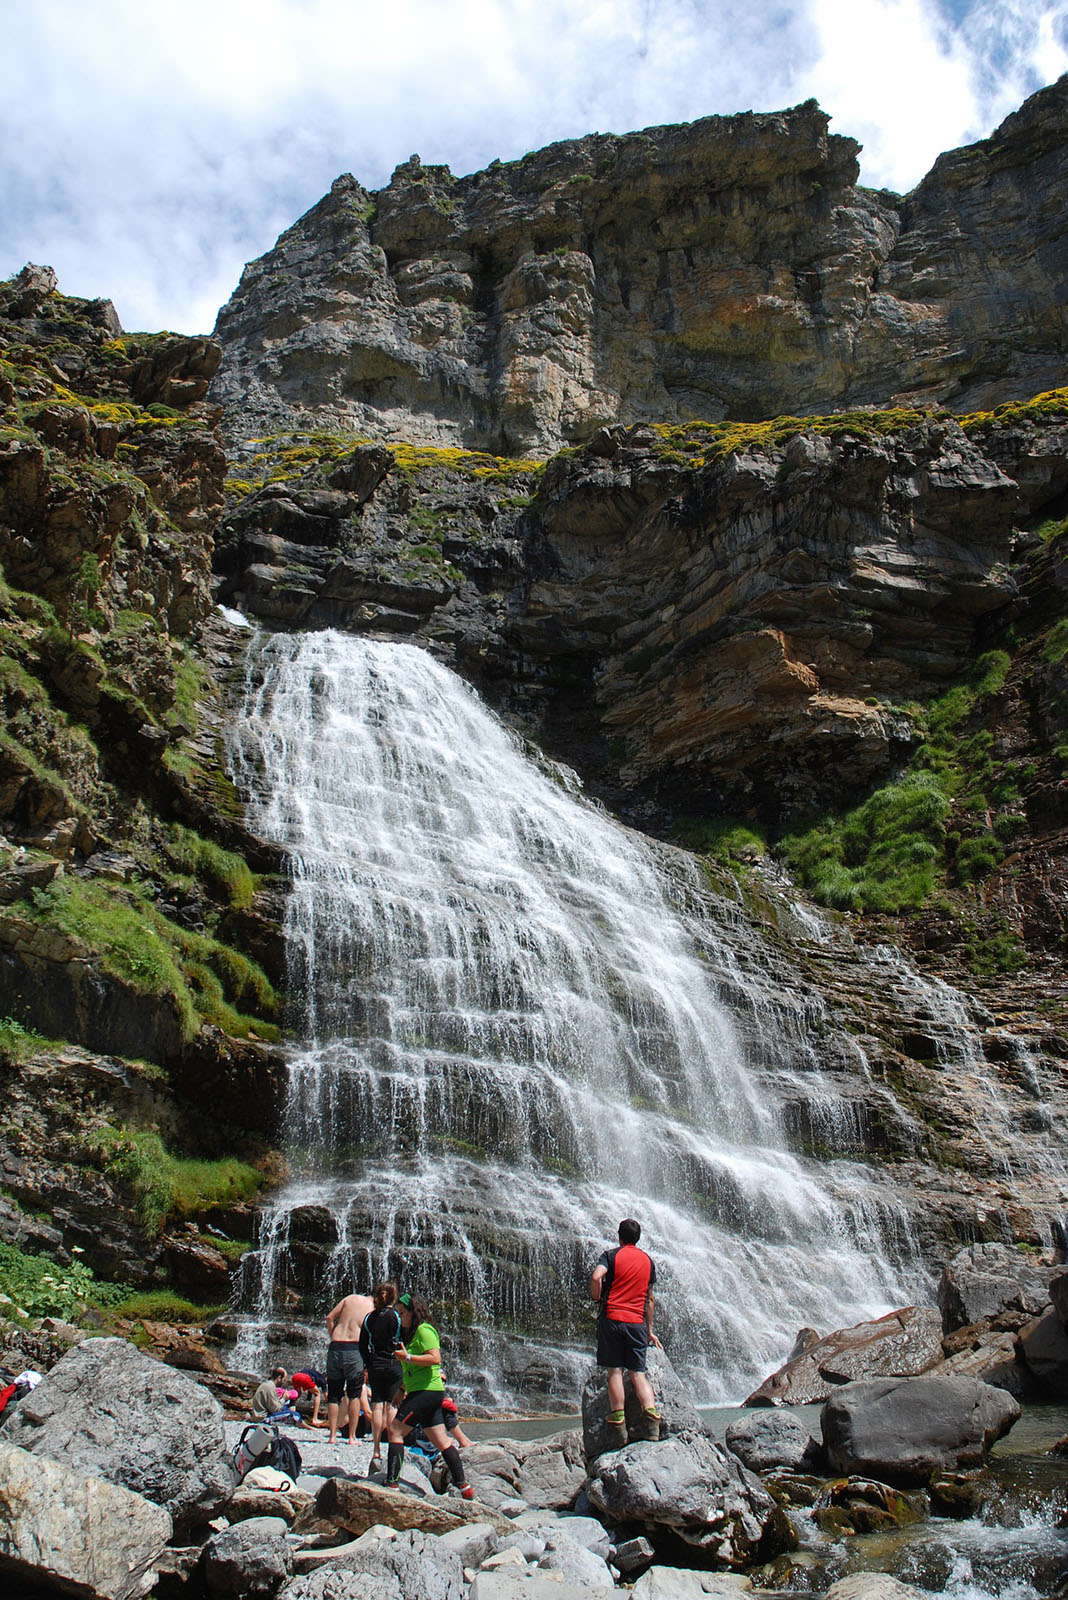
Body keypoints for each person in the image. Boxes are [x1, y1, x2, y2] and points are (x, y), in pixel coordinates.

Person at [385, 1293, 474, 1499]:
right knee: (442, 1441)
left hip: (426, 1392)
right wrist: (400, 1391)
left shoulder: (425, 1330)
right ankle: (465, 1487)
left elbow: (435, 1358)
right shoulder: (409, 1335)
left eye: (402, 1312)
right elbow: (410, 1370)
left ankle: (392, 1483)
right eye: (397, 1313)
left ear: (413, 1311)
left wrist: (407, 1356)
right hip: (423, 1392)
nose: (400, 1316)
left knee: (395, 1430)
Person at [589, 1217, 663, 1446]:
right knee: (637, 1373)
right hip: (637, 1323)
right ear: (637, 1238)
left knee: (614, 1371)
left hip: (612, 1319)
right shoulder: (648, 1262)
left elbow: (596, 1276)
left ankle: (618, 1423)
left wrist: (596, 1295)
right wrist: (650, 1330)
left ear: (619, 1237)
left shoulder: (610, 1256)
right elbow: (649, 1299)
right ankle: (651, 1418)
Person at [359, 1280, 404, 1472]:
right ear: (394, 1297)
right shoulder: (397, 1316)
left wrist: (368, 1363)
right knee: (392, 1404)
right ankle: (393, 1444)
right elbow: (404, 1339)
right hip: (394, 1363)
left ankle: (376, 1449)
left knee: (377, 1405)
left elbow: (362, 1345)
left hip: (375, 1364)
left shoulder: (369, 1318)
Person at [325, 1288, 374, 1444]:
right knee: (354, 1393)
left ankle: (332, 1436)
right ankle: (352, 1437)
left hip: (335, 1346)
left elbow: (329, 1317)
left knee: (333, 1394)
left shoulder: (350, 1297)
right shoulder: (373, 1306)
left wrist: (333, 1336)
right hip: (353, 1348)